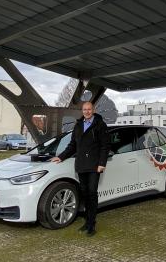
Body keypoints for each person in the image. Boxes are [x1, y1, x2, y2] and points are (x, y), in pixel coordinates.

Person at [49, 101, 109, 236]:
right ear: (82, 111)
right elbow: (72, 146)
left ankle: (92, 224)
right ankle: (87, 222)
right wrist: (61, 157)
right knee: (84, 193)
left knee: (92, 192)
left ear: (93, 110)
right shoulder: (78, 125)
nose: (87, 111)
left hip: (94, 165)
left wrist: (102, 163)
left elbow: (105, 146)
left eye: (89, 109)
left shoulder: (100, 125)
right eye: (84, 109)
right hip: (81, 164)